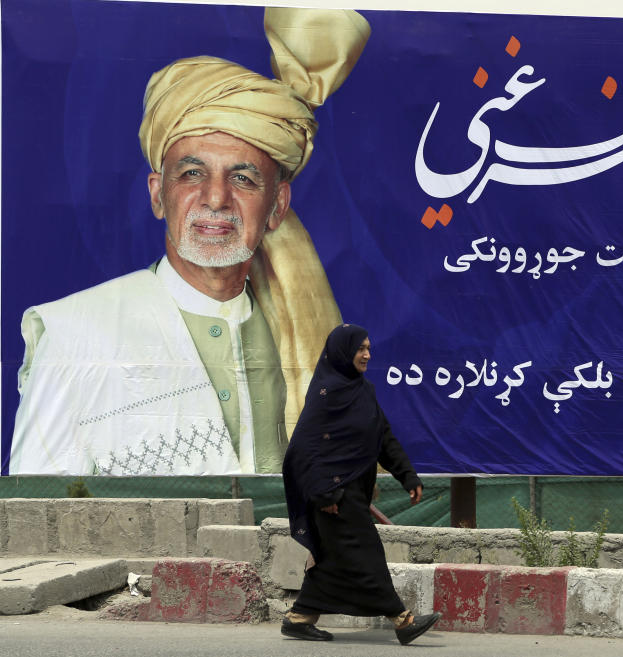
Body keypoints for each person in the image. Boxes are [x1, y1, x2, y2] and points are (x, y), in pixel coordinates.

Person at [8, 8, 368, 475]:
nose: (215, 198)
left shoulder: (303, 338)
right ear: (159, 195)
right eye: (192, 173)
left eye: (242, 178)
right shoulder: (74, 334)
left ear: (277, 206)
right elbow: (36, 519)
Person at [281, 324, 441, 645]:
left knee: (333, 557)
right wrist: (324, 492)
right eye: (360, 349)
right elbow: (305, 448)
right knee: (365, 551)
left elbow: (382, 435)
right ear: (343, 351)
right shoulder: (327, 391)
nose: (367, 354)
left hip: (352, 490)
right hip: (331, 494)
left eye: (368, 348)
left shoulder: (362, 390)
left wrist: (407, 476)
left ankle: (299, 618)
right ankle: (402, 619)